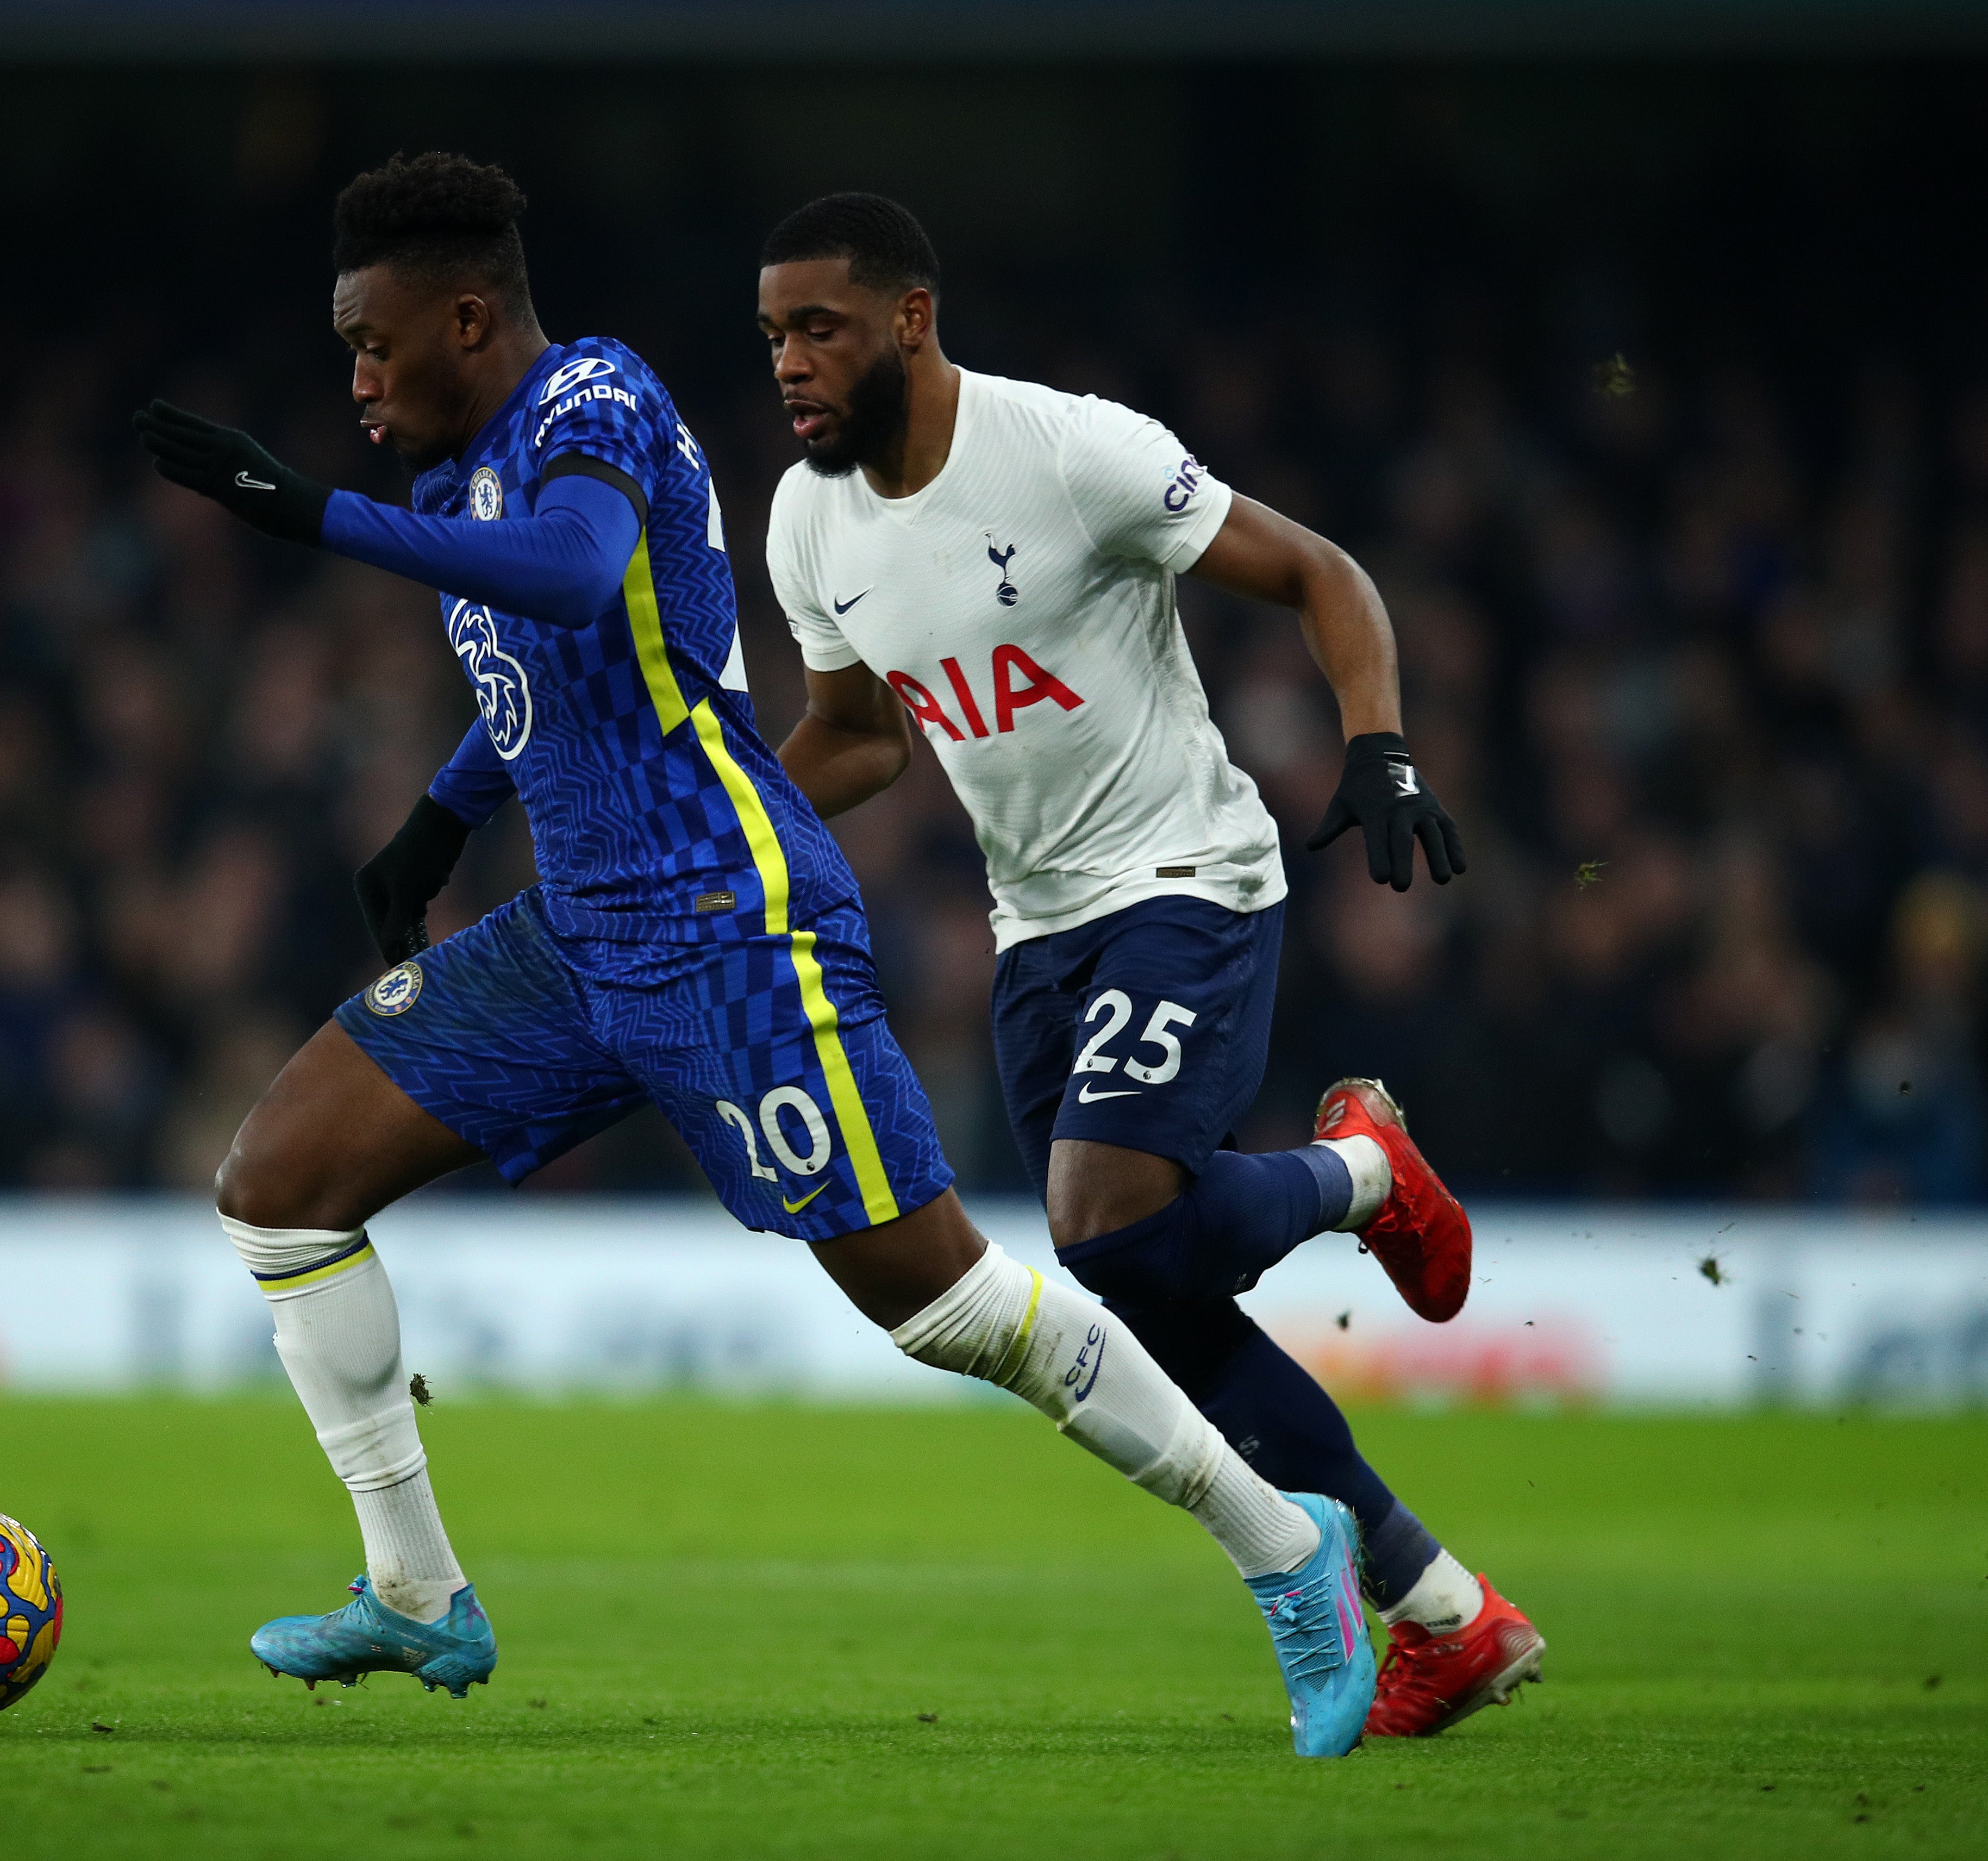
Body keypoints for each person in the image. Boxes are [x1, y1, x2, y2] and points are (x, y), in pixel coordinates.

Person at [132, 151, 1374, 1756]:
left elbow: (581, 571)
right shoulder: (453, 476)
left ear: (466, 318)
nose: (356, 382)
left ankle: (1288, 1548)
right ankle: (418, 1590)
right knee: (278, 1185)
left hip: (730, 922)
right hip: (578, 930)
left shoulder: (594, 401)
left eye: (375, 347)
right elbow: (575, 670)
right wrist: (443, 818)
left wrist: (309, 514)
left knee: (941, 1307)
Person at [756, 193, 1543, 1739]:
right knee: (1146, 1291)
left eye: (819, 328)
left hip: (1189, 879)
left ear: (909, 321)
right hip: (1037, 923)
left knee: (1099, 1218)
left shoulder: (1069, 451)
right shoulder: (807, 521)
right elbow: (859, 737)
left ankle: (1358, 1173)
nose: (789, 361)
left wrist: (1377, 746)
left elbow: (1323, 572)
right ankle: (1445, 1611)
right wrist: (732, 829)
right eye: (774, 333)